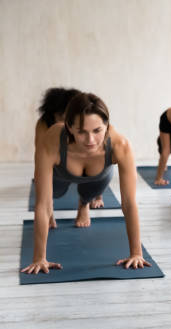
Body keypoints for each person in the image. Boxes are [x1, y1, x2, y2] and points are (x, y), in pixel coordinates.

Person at [21, 92, 150, 274]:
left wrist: (136, 253)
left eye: (97, 131)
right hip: (60, 174)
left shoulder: (121, 145)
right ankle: (57, 210)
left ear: (107, 125)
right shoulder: (51, 140)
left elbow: (129, 203)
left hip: (97, 178)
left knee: (91, 191)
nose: (90, 140)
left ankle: (84, 204)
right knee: (52, 197)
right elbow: (41, 204)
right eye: (81, 132)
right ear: (69, 127)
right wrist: (39, 258)